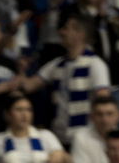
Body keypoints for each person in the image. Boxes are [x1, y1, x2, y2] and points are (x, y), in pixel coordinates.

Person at [30, 15, 112, 147]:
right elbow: (30, 85)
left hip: (85, 141)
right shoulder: (57, 64)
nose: (61, 32)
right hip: (60, 139)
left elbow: (103, 102)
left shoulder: (95, 64)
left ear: (79, 34)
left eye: (66, 28)